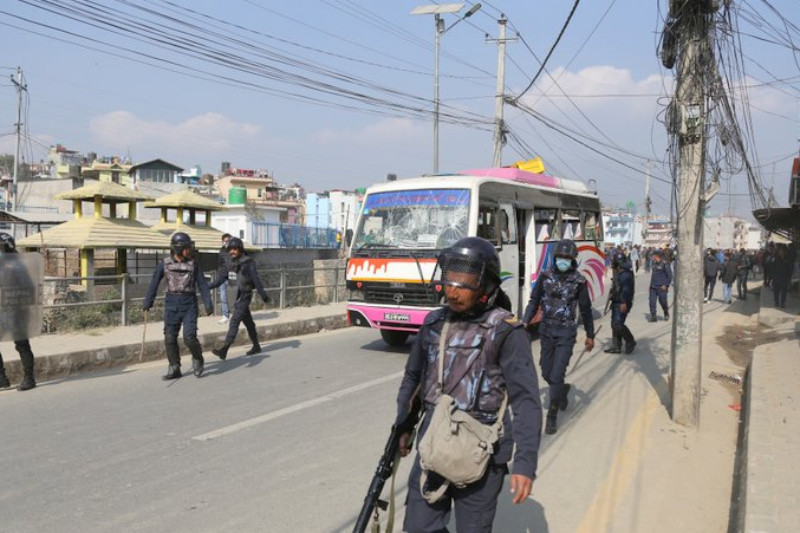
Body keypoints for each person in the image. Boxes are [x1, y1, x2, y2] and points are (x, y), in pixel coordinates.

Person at [394, 237, 542, 532]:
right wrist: (405, 426)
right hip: (434, 443)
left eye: (464, 283)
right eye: (450, 280)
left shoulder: (506, 331)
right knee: (417, 526)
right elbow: (414, 379)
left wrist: (525, 463)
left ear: (486, 285)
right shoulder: (433, 324)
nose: (453, 290)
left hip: (484, 455)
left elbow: (526, 400)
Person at [522, 239, 595, 435]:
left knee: (556, 374)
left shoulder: (579, 281)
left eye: (567, 258)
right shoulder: (545, 277)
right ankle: (561, 391)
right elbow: (533, 301)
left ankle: (552, 416)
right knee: (546, 373)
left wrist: (590, 335)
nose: (563, 261)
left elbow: (586, 310)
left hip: (566, 334)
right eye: (560, 257)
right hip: (546, 331)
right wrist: (525, 322)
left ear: (573, 260)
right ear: (555, 258)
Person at [143, 232, 213, 380]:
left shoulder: (194, 265)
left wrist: (208, 303)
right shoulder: (164, 264)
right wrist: (148, 302)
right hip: (171, 304)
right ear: (179, 248)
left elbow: (202, 285)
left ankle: (198, 359)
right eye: (188, 247)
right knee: (169, 337)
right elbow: (154, 283)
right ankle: (174, 367)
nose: (190, 250)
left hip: (189, 304)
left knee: (189, 337)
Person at [208, 237, 271, 359]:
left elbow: (255, 279)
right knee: (248, 323)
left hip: (244, 296)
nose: (232, 251)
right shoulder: (229, 263)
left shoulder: (248, 262)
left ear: (240, 249)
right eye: (230, 249)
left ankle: (224, 349)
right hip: (235, 297)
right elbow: (221, 279)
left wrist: (263, 296)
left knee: (234, 321)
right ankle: (256, 346)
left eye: (234, 249)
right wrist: (207, 287)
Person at [0, 233, 38, 391]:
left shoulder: (18, 267)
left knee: (22, 345)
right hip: (3, 311)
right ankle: (2, 379)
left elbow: (29, 289)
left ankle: (29, 378)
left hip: (17, 311)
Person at [604, 250, 636, 354]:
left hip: (622, 302)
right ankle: (616, 346)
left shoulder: (625, 273)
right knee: (614, 324)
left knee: (618, 324)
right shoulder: (619, 271)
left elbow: (626, 289)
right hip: (617, 301)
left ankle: (630, 341)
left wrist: (623, 302)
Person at [648, 249, 672, 322]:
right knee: (652, 302)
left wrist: (666, 285)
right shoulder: (654, 264)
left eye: (653, 255)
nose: (652, 257)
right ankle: (653, 316)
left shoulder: (664, 264)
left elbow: (670, 275)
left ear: (657, 256)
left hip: (662, 287)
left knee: (663, 302)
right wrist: (650, 285)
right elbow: (653, 275)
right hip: (653, 287)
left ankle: (666, 312)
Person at [217, 233, 232, 325]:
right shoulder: (221, 251)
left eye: (228, 241)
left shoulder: (235, 251)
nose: (226, 243)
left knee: (237, 297)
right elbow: (219, 264)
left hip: (233, 278)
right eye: (225, 241)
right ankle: (225, 316)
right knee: (223, 297)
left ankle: (241, 315)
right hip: (223, 277)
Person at [771, 244, 792, 308]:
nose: (781, 253)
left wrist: (789, 278)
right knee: (776, 291)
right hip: (776, 277)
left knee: (784, 291)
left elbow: (790, 269)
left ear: (785, 252)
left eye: (782, 251)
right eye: (780, 251)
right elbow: (772, 268)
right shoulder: (775, 259)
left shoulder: (788, 259)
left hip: (784, 278)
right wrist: (772, 276)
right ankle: (776, 301)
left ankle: (782, 303)